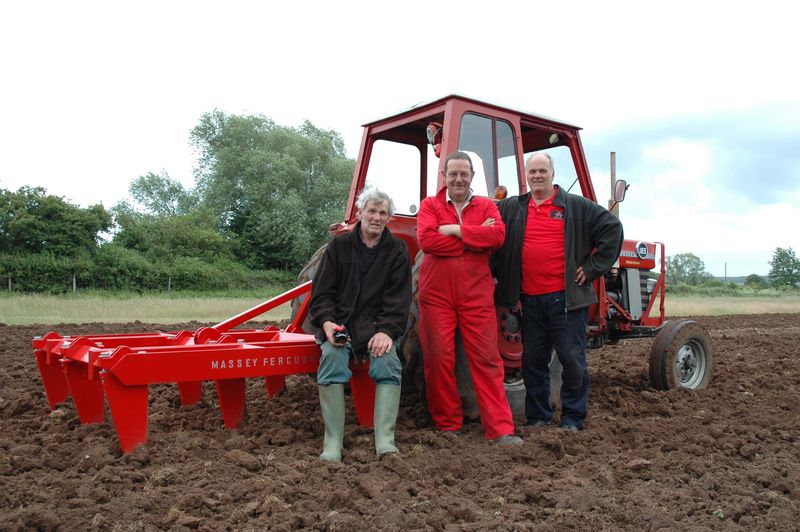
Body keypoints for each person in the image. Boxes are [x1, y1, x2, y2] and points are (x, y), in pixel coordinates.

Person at [493, 153, 623, 431]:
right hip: (529, 300)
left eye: (542, 170)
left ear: (553, 173)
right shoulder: (513, 207)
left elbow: (612, 228)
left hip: (566, 301)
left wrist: (592, 268)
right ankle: (538, 417)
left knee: (571, 359)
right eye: (532, 172)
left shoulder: (575, 206)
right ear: (526, 176)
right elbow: (486, 213)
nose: (537, 175)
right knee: (533, 361)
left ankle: (573, 418)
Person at [417, 151, 522, 446]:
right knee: (439, 359)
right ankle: (448, 424)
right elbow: (426, 241)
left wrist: (453, 231)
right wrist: (473, 240)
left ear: (472, 176)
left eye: (464, 174)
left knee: (487, 360)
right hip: (437, 295)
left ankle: (500, 428)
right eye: (453, 174)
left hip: (476, 295)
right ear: (445, 177)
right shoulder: (430, 205)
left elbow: (497, 237)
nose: (459, 179)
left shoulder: (487, 205)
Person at [309, 186, 412, 461]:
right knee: (331, 357)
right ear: (360, 213)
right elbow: (322, 294)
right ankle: (332, 444)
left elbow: (399, 299)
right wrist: (328, 323)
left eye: (382, 212)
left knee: (388, 361)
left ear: (389, 217)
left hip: (378, 327)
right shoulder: (339, 246)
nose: (376, 217)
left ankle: (385, 443)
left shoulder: (397, 251)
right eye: (371, 211)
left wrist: (387, 331)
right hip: (342, 326)